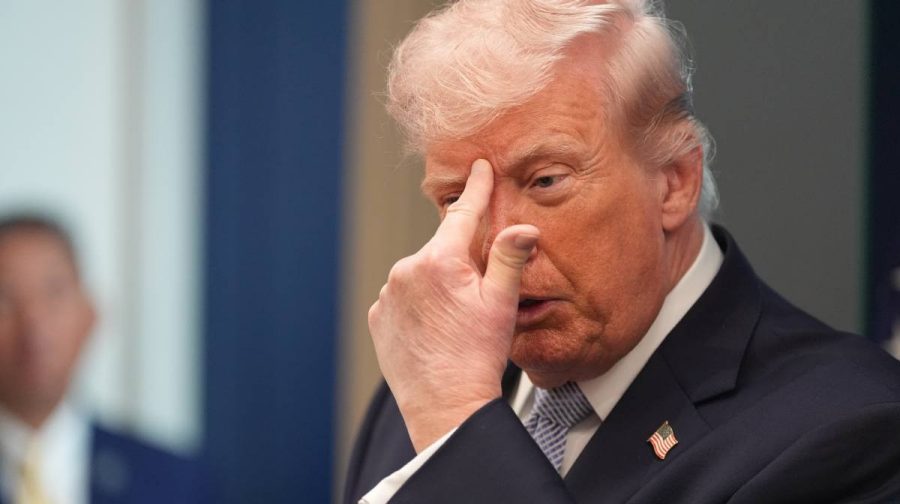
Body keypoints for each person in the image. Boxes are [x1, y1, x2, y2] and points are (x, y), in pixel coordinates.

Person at [343, 1, 900, 502]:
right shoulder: (428, 387)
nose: (494, 243)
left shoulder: (851, 428)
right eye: (457, 198)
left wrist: (461, 428)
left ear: (674, 181)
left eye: (546, 181)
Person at [0, 214, 204, 504]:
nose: (33, 323)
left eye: (54, 292)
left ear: (90, 316)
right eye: (5, 298)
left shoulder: (174, 481)